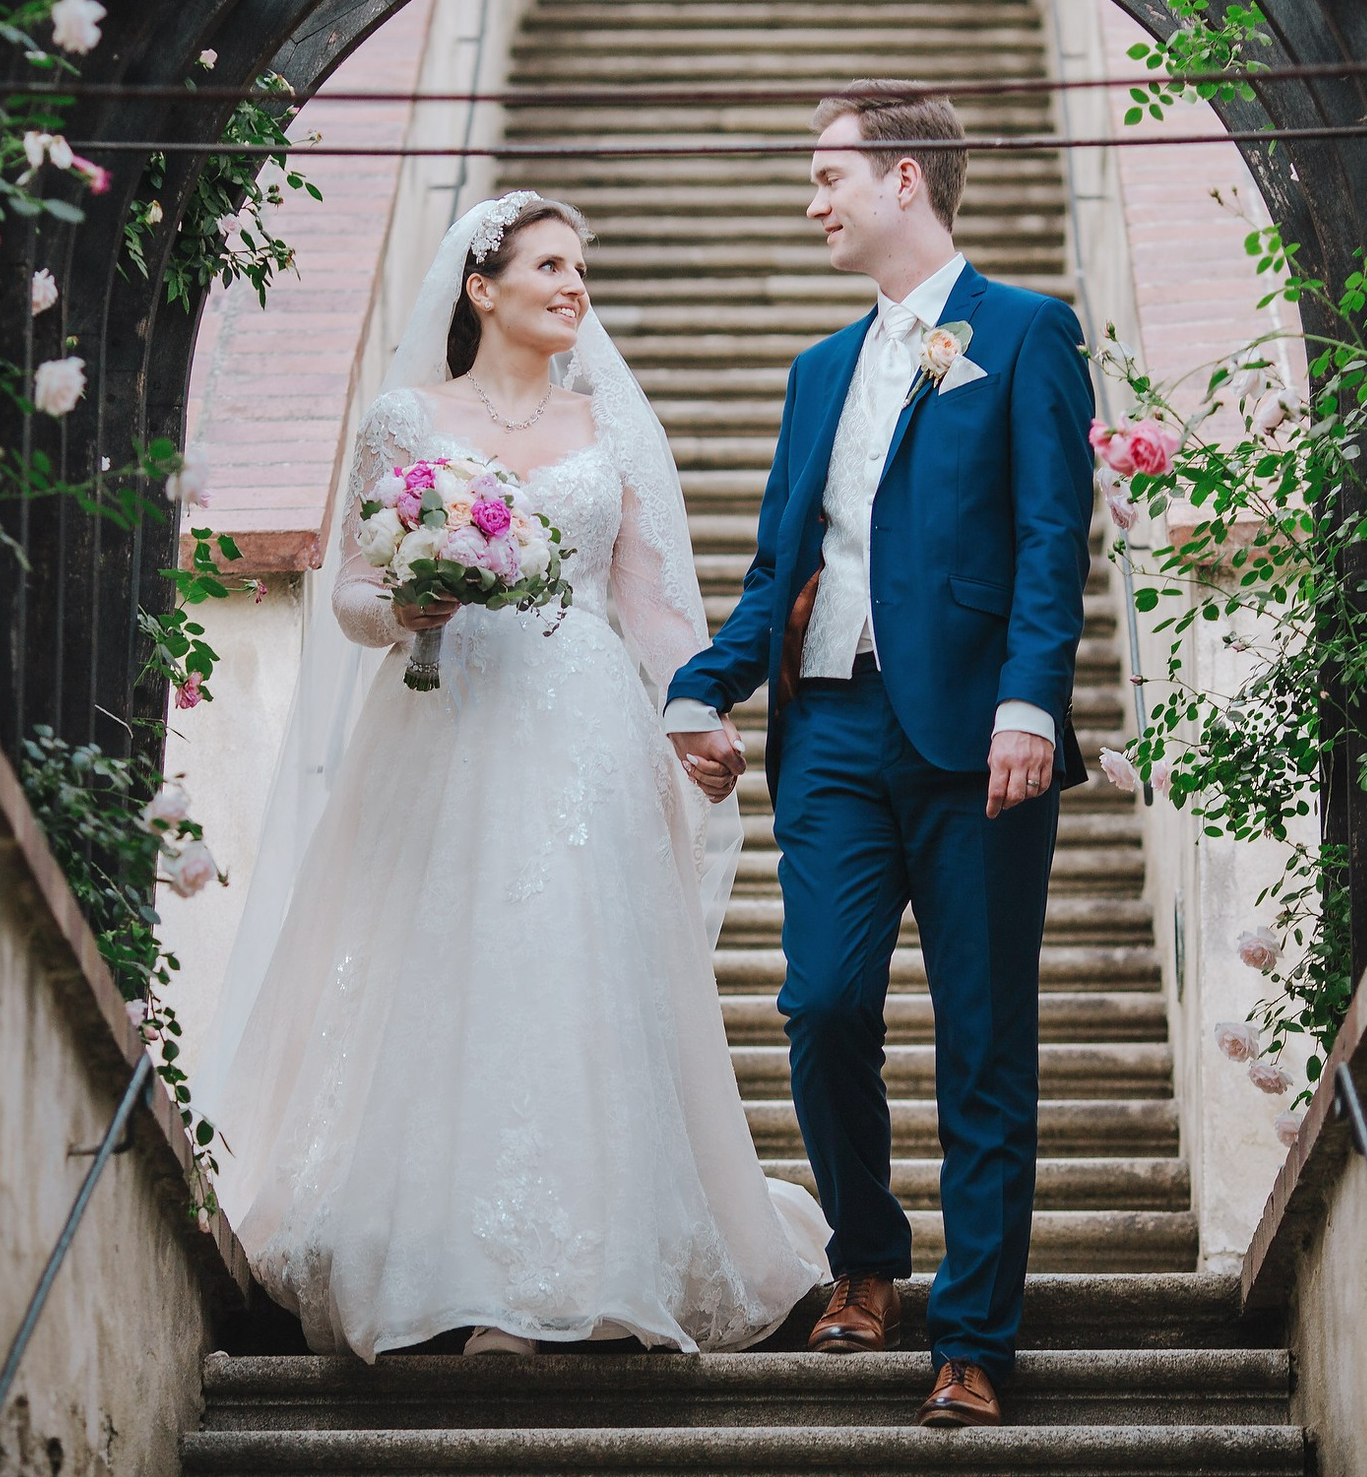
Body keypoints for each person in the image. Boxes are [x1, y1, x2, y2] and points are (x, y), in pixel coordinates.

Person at [197, 192, 829, 1361]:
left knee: (573, 969)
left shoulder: (609, 426)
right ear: (481, 289)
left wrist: (693, 713)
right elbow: (350, 593)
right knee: (440, 965)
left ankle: (584, 1266)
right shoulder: (406, 420)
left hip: (583, 723)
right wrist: (405, 605)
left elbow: (649, 604)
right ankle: (444, 1260)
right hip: (443, 719)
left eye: (580, 267)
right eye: (549, 265)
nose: (573, 284)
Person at [664, 83, 1095, 1428]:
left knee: (982, 1037)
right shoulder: (816, 373)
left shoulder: (1025, 334)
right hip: (834, 732)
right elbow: (777, 569)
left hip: (977, 740)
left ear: (903, 178)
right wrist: (702, 681)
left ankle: (973, 1338)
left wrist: (1031, 702)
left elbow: (1051, 538)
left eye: (826, 176)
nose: (812, 203)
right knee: (824, 1002)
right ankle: (864, 1255)